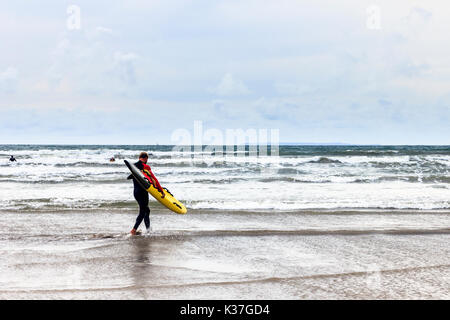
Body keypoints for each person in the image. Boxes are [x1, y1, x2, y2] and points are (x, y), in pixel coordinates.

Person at [127, 152, 165, 235]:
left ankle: (148, 230)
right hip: (143, 192)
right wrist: (161, 190)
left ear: (139, 157)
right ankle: (133, 230)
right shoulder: (145, 167)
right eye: (147, 159)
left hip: (136, 192)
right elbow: (154, 179)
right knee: (143, 211)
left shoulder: (134, 166)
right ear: (145, 159)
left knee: (146, 210)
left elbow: (129, 177)